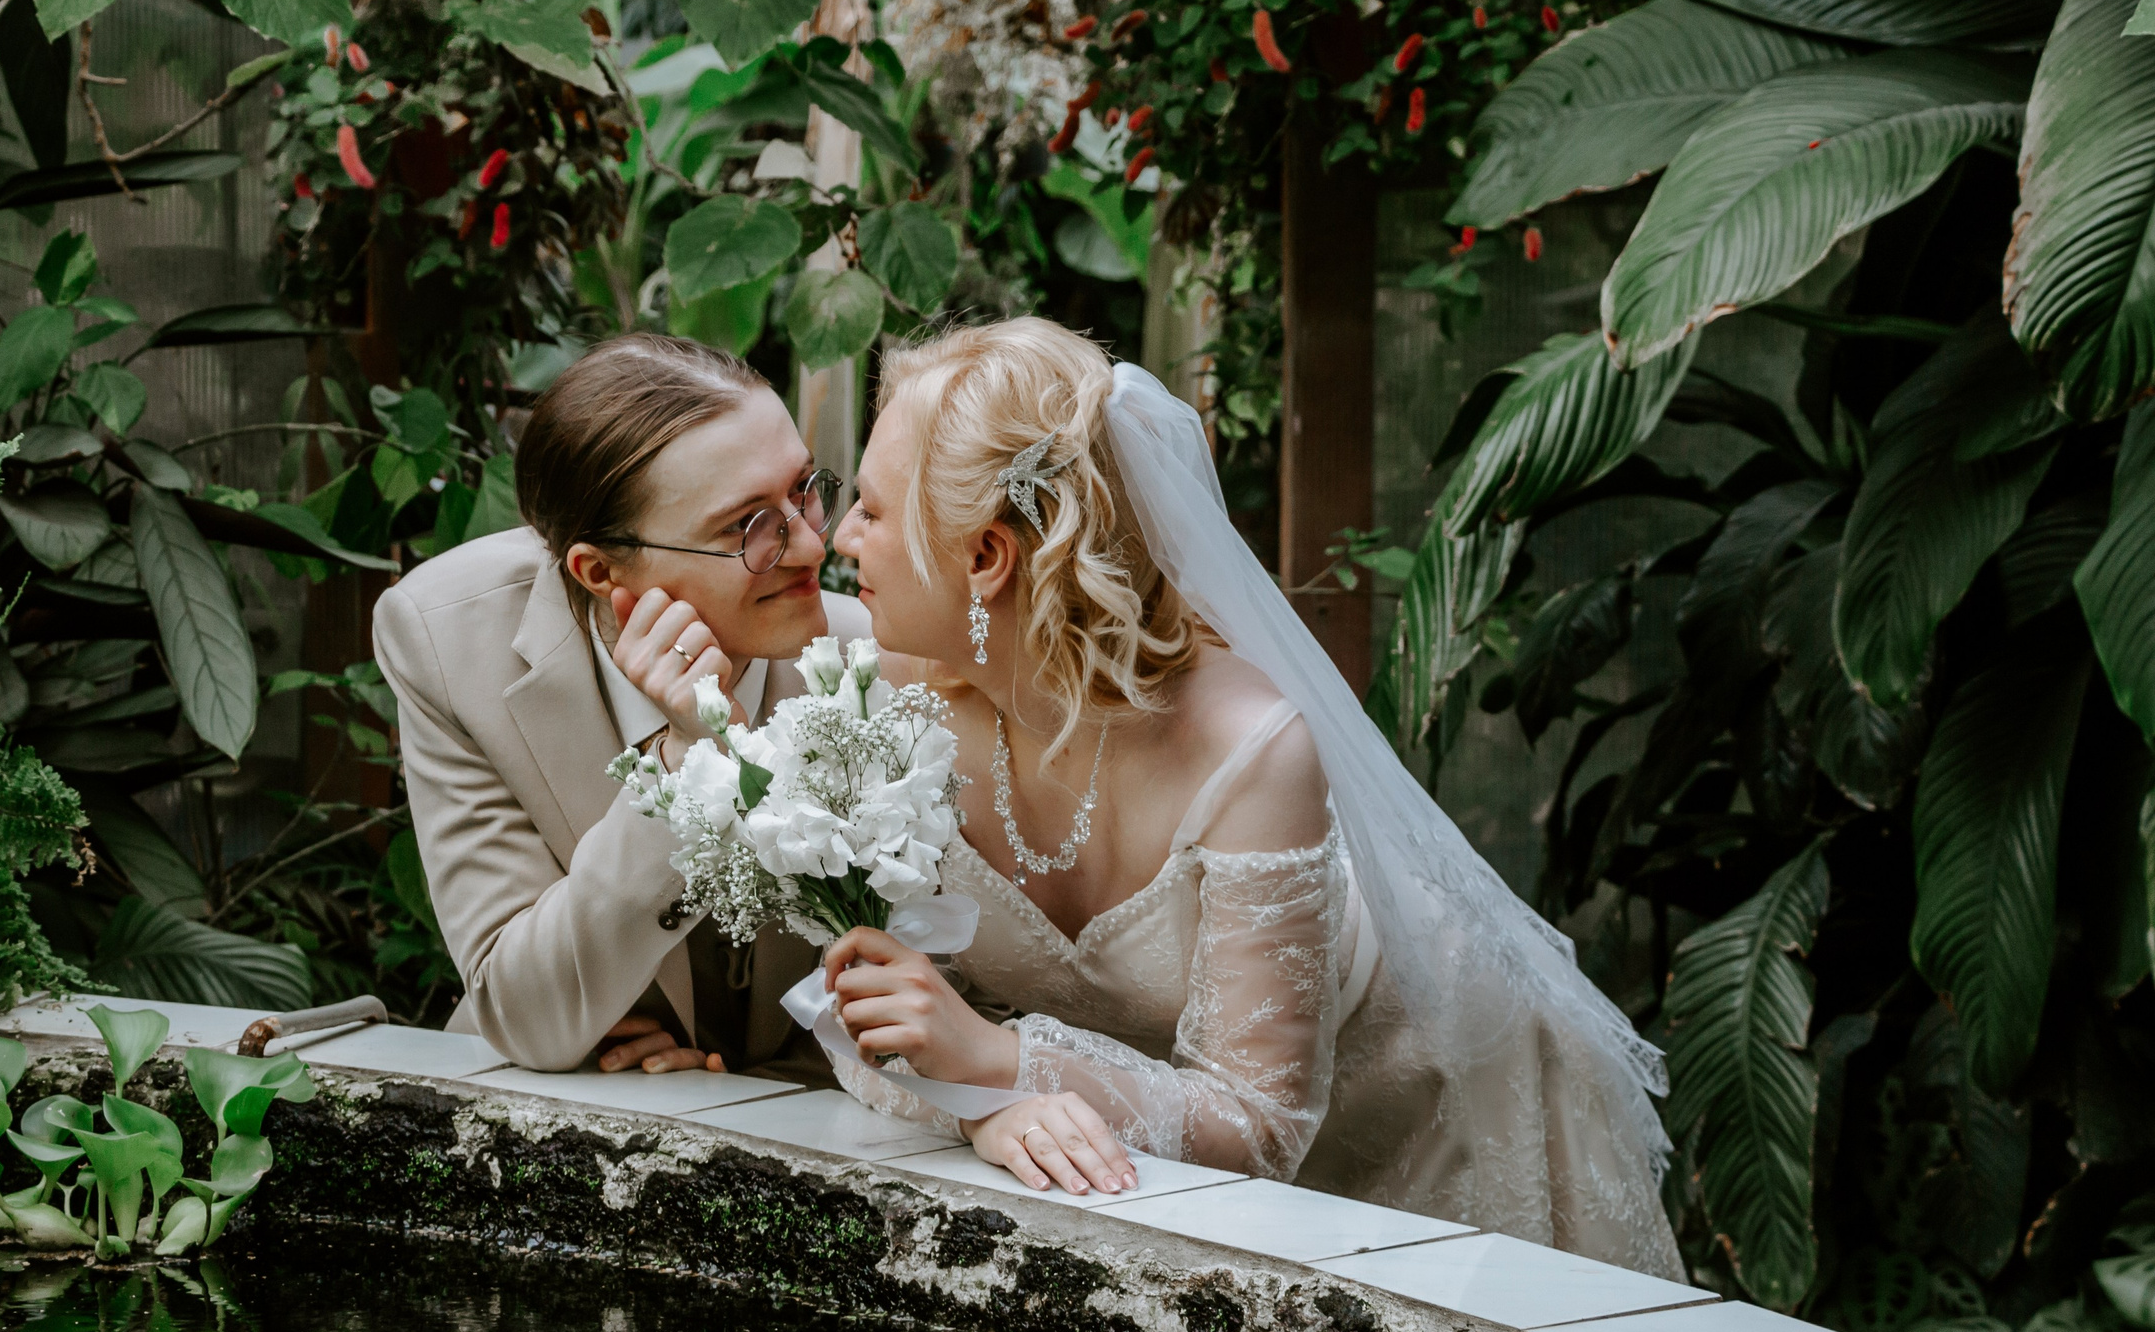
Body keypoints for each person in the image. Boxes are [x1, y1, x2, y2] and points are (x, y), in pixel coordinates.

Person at [813, 317, 1683, 1281]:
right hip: (1172, 1154)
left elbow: (1260, 1128)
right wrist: (992, 1102)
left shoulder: (1251, 749)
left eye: (872, 510)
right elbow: (868, 1022)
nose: (839, 536)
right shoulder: (898, 693)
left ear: (985, 557)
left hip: (1432, 1105)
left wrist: (1000, 1061)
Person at [374, 334, 869, 1077]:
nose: (808, 546)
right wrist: (682, 764)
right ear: (599, 569)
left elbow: (920, 986)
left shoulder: (866, 657)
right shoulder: (446, 639)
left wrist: (736, 1076)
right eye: (747, 527)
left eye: (804, 490)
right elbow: (525, 1017)